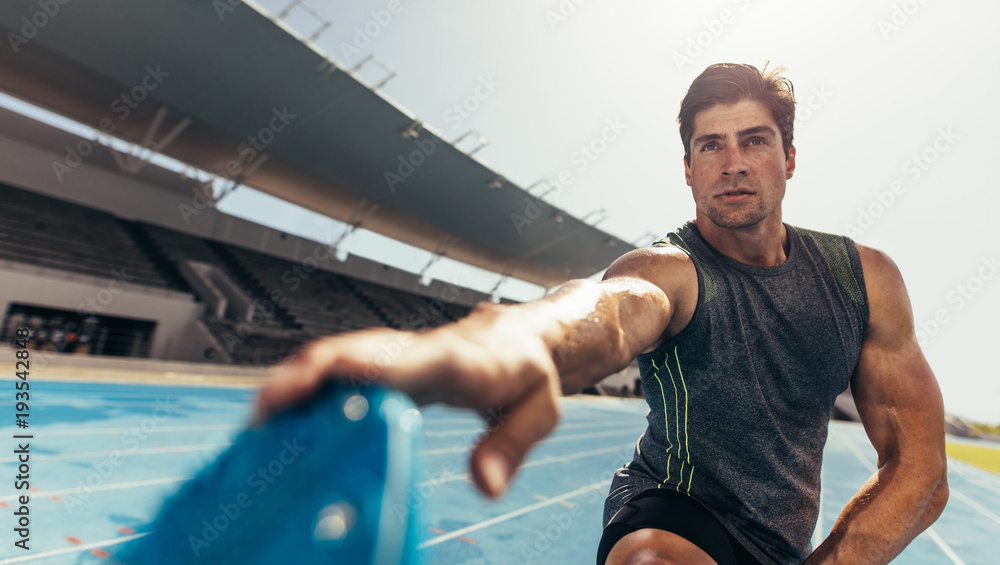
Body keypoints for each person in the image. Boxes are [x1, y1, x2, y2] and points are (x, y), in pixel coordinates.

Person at [253, 63, 948, 564]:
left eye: (754, 141)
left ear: (789, 158)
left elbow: (922, 472)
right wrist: (521, 339)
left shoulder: (863, 281)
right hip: (676, 511)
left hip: (784, 544)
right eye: (711, 145)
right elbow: (611, 311)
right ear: (687, 169)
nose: (733, 163)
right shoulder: (668, 270)